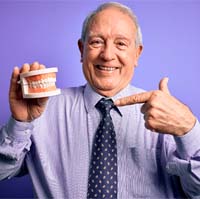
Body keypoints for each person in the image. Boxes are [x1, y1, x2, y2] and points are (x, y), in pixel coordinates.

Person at [0, 2, 200, 198]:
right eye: (97, 42)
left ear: (137, 53)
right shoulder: (41, 109)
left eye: (120, 44)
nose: (107, 55)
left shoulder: (167, 116)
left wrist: (188, 130)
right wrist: (20, 122)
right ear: (81, 50)